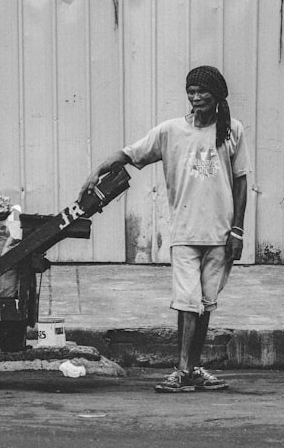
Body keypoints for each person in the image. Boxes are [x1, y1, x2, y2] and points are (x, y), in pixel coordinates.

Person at [82, 66, 250, 393]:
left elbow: (241, 182)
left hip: (221, 236)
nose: (196, 97)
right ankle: (183, 370)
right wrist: (97, 171)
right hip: (185, 234)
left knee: (204, 305)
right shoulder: (170, 131)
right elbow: (130, 154)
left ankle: (193, 369)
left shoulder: (233, 131)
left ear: (217, 96)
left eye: (203, 91)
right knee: (187, 302)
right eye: (191, 90)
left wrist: (238, 231)